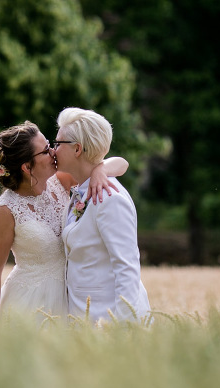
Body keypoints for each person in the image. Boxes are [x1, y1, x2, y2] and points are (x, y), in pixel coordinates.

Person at [0, 121, 128, 321]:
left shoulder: (60, 181)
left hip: (70, 300)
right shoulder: (6, 210)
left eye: (50, 145)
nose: (53, 152)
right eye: (45, 151)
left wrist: (100, 171)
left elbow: (122, 164)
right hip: (29, 304)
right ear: (27, 167)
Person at [55, 107, 151, 323]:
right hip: (82, 321)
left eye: (58, 143)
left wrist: (123, 330)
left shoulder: (111, 199)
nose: (53, 150)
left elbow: (127, 268)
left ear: (77, 149)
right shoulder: (79, 191)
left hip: (107, 322)